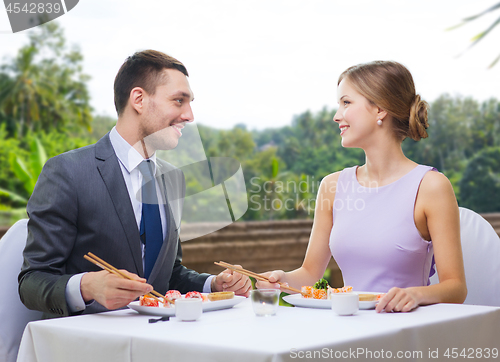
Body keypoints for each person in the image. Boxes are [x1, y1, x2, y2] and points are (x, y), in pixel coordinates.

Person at [19, 50, 251, 318]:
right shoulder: (67, 172)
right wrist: (87, 286)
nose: (189, 115)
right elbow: (32, 281)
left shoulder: (173, 178)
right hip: (86, 342)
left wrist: (212, 284)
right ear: (138, 99)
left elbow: (166, 276)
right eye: (178, 101)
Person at [257, 61, 467, 313]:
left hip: (404, 331)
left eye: (346, 103)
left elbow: (456, 288)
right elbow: (311, 273)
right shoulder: (332, 186)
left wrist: (415, 294)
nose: (336, 116)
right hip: (347, 327)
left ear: (379, 109)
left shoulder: (431, 186)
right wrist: (283, 280)